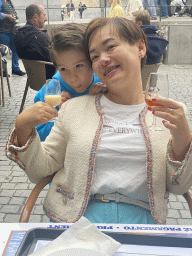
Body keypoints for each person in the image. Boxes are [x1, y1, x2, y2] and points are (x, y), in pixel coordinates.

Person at [6, 17, 192, 224]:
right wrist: (23, 127)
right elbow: (41, 169)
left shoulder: (168, 114)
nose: (102, 59)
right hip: (77, 221)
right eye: (94, 56)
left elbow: (179, 186)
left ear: (140, 47)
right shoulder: (73, 108)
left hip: (143, 223)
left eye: (111, 46)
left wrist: (183, 138)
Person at [34, 23, 104, 142]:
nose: (73, 77)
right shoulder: (51, 93)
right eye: (63, 69)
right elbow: (39, 136)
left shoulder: (103, 82)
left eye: (79, 66)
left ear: (92, 61)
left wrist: (110, 95)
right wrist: (60, 115)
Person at [14, 3, 56, 79]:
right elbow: (54, 59)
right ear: (36, 17)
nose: (45, 18)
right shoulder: (41, 37)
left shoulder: (18, 35)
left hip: (33, 80)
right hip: (50, 80)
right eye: (44, 15)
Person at [0, 0, 26, 76]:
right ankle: (3, 70)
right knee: (3, 51)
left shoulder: (9, 2)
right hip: (3, 31)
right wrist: (6, 16)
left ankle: (15, 68)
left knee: (16, 49)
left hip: (12, 30)